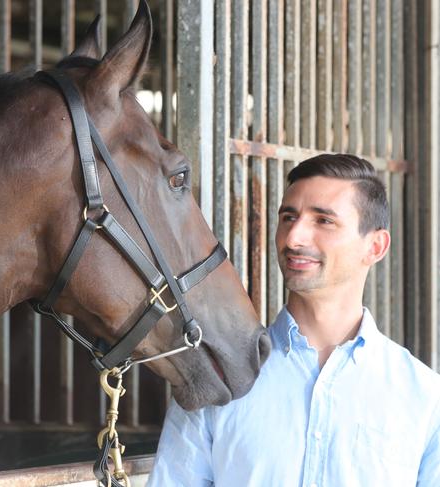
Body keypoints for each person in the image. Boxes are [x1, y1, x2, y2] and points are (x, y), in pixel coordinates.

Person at [147, 154, 440, 487]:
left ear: (375, 246)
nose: (293, 237)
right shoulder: (219, 381)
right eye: (288, 217)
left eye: (323, 221)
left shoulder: (424, 398)